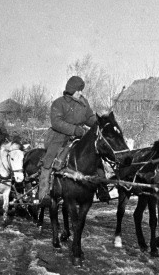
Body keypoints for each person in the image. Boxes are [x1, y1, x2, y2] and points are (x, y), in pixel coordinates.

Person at [38, 76, 111, 207]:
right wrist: (75, 130)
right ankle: (44, 193)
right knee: (49, 160)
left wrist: (101, 122)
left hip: (79, 136)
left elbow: (89, 117)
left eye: (81, 90)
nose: (81, 93)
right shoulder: (58, 103)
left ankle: (102, 188)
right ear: (71, 90)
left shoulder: (83, 102)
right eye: (78, 90)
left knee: (96, 156)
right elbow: (56, 122)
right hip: (59, 137)